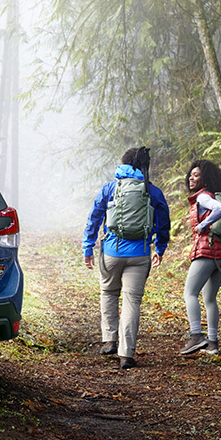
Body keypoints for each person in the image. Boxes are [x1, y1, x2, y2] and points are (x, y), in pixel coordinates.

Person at [82, 147, 171, 369]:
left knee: (109, 293)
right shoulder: (152, 191)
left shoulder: (110, 188)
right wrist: (159, 248)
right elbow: (163, 223)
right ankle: (126, 354)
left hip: (111, 252)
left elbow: (94, 217)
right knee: (132, 302)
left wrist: (88, 248)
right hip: (140, 254)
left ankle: (110, 340)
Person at [179, 159, 221, 356]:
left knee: (190, 293)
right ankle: (212, 343)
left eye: (196, 175)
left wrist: (203, 225)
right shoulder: (217, 197)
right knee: (209, 298)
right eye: (191, 174)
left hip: (207, 251)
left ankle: (196, 336)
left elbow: (220, 210)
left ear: (205, 179)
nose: (191, 178)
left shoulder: (204, 198)